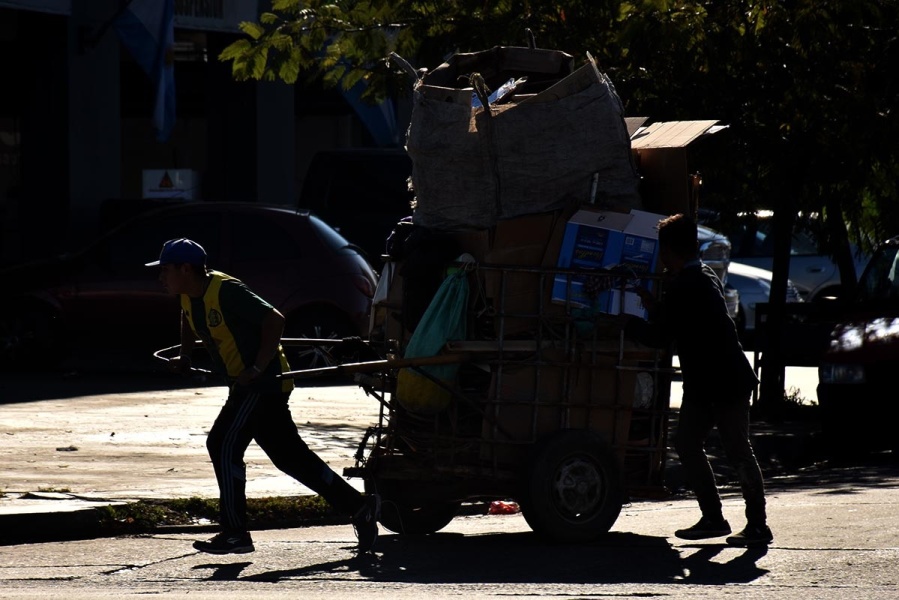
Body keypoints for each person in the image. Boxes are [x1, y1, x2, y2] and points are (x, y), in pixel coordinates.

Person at [146, 238, 380, 555]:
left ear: (186, 269)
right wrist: (186, 356)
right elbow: (187, 319)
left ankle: (235, 533)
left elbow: (275, 320)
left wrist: (256, 366)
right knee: (290, 458)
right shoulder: (189, 294)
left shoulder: (226, 290)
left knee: (222, 443)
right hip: (247, 385)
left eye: (165, 270)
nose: (161, 277)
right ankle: (359, 507)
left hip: (260, 384)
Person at [621, 214, 773, 547]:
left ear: (671, 251)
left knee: (737, 450)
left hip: (724, 383)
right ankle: (713, 518)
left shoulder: (687, 284)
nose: (660, 258)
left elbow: (660, 336)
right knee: (688, 443)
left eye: (662, 250)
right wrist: (654, 304)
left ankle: (758, 524)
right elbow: (680, 320)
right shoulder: (701, 276)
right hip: (707, 383)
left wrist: (625, 322)